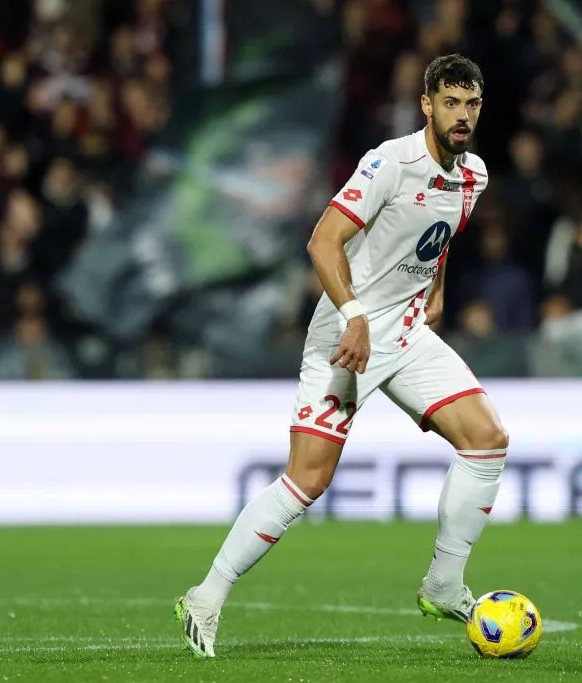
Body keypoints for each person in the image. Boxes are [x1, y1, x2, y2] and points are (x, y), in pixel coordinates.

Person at [174, 54, 505, 658]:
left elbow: (441, 237)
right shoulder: (388, 163)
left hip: (405, 333)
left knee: (486, 439)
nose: (463, 115)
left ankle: (444, 583)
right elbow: (322, 239)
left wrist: (435, 290)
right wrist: (354, 315)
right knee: (308, 479)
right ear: (426, 105)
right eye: (451, 103)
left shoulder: (473, 175)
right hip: (345, 333)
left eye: (472, 103)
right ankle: (206, 593)